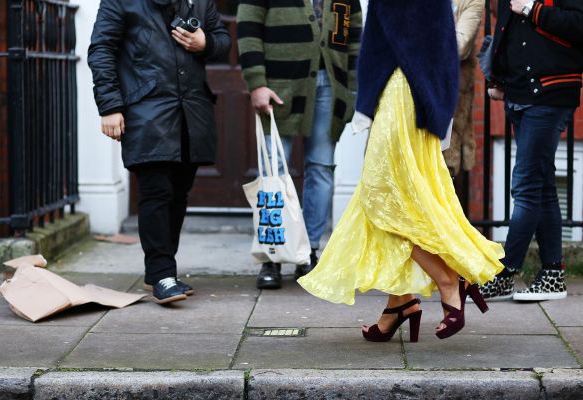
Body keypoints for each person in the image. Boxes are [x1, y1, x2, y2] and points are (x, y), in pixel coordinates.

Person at [298, 0, 505, 341]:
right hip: (413, 93)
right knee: (400, 195)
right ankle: (399, 303)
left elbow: (385, 42)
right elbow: (430, 40)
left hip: (402, 95)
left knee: (385, 198)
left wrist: (367, 103)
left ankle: (449, 281)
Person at [88, 0, 231, 304]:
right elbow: (101, 49)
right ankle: (163, 273)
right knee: (156, 191)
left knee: (178, 193)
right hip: (146, 110)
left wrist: (205, 43)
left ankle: (158, 273)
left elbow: (223, 42)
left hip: (192, 110)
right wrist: (110, 106)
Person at [236, 0, 362, 289]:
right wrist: (256, 83)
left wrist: (353, 90)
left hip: (331, 85)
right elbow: (248, 28)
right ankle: (272, 257)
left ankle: (308, 253)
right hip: (279, 86)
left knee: (322, 168)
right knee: (273, 172)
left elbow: (355, 37)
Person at [480, 0, 583, 301]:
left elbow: (578, 25)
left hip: (550, 92)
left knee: (525, 186)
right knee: (543, 186)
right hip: (520, 93)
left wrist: (531, 8)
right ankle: (552, 274)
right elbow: (507, 28)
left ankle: (506, 272)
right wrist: (499, 78)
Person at [443, 0, 485, 183]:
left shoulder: (471, 2)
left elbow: (459, 45)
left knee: (442, 173)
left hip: (448, 100)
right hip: (404, 99)